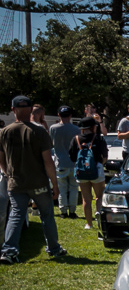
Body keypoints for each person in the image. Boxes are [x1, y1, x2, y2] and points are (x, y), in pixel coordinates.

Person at [0, 95, 66, 263]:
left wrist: (7, 174)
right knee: (47, 216)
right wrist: (55, 184)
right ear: (30, 110)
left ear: (13, 110)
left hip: (16, 183)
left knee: (16, 215)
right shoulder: (39, 131)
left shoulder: (4, 132)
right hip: (39, 183)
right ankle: (54, 249)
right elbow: (48, 161)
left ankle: (9, 252)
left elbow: (1, 159)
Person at [69, 116, 108, 230]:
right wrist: (100, 164)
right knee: (99, 196)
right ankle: (99, 215)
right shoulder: (98, 138)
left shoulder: (76, 139)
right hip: (97, 169)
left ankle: (89, 224)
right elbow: (105, 156)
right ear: (93, 127)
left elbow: (72, 157)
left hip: (81, 171)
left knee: (86, 199)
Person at [49, 106, 80, 218]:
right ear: (70, 115)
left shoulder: (53, 128)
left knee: (62, 188)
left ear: (58, 115)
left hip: (60, 162)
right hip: (73, 162)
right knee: (73, 188)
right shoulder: (76, 129)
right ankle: (72, 211)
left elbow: (50, 143)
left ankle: (63, 211)